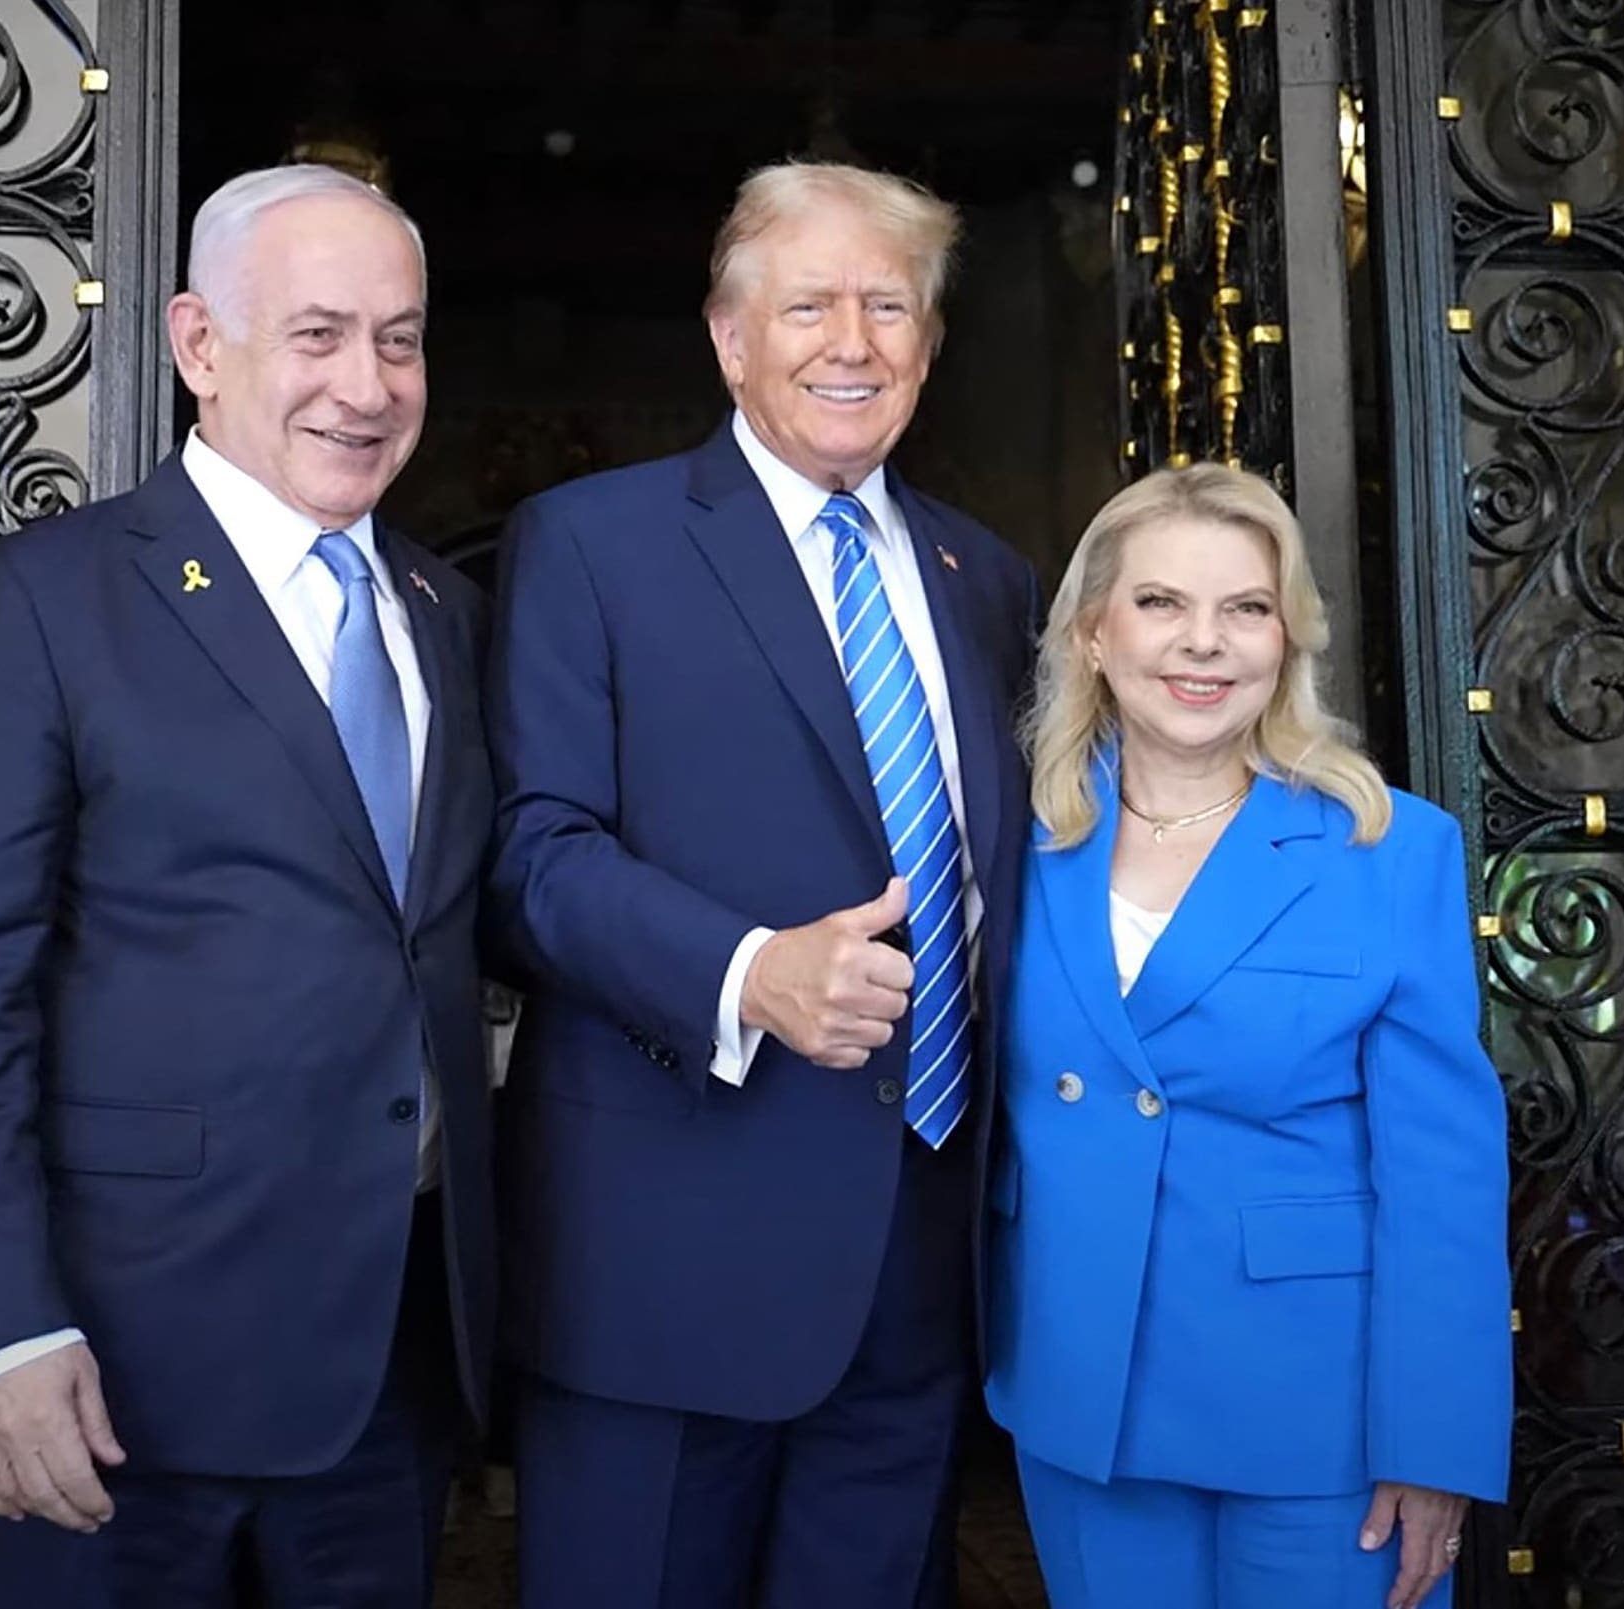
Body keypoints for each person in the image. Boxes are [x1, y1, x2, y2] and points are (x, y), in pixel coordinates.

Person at [0, 163, 495, 1607]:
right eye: (319, 333)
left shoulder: (442, 609)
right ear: (198, 345)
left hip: (390, 1364)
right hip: (113, 1371)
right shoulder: (47, 596)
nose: (368, 382)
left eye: (399, 339)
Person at [486, 160, 1039, 1608]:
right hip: (663, 1264)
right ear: (731, 338)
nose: (851, 342)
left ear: (928, 342)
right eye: (809, 305)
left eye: (888, 304)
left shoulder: (991, 578)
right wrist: (747, 972)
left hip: (915, 1274)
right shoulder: (590, 544)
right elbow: (531, 857)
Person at [984, 464, 1511, 1609]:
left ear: (1288, 640)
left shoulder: (1388, 846)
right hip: (1082, 1390)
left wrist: (1437, 1439)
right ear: (1091, 631)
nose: (1203, 644)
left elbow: (1443, 1177)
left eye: (1246, 608)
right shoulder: (1007, 841)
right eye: (1162, 603)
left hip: (1319, 1413)